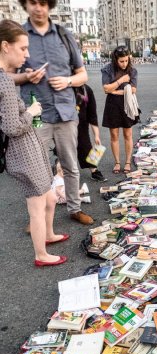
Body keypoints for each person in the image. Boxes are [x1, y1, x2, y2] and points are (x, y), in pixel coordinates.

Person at [15, 0, 94, 225]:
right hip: (36, 114)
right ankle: (37, 218)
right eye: (32, 2)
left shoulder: (63, 35)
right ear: (25, 4)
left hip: (66, 112)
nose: (38, 8)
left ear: (49, 5)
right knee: (35, 170)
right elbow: (6, 75)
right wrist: (25, 77)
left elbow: (83, 75)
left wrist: (68, 80)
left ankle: (74, 208)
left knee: (70, 165)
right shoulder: (20, 36)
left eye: (42, 2)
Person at [0, 19, 67, 266]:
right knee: (36, 206)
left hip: (28, 151)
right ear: (5, 46)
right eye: (23, 48)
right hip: (23, 154)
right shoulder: (4, 81)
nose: (27, 55)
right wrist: (32, 111)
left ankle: (48, 235)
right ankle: (41, 254)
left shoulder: (5, 78)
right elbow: (11, 127)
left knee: (48, 197)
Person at [101, 47, 139, 174]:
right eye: (121, 61)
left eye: (126, 61)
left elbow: (133, 90)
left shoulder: (132, 70)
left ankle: (127, 162)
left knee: (128, 134)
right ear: (115, 60)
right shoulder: (107, 69)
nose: (124, 64)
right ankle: (117, 162)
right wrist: (121, 81)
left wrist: (114, 90)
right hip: (112, 105)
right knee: (114, 135)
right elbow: (106, 89)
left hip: (127, 105)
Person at [76, 84, 106, 182]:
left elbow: (92, 114)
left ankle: (94, 171)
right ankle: (59, 173)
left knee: (86, 146)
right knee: (63, 150)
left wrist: (96, 135)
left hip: (82, 123)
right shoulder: (64, 87)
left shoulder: (87, 89)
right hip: (64, 124)